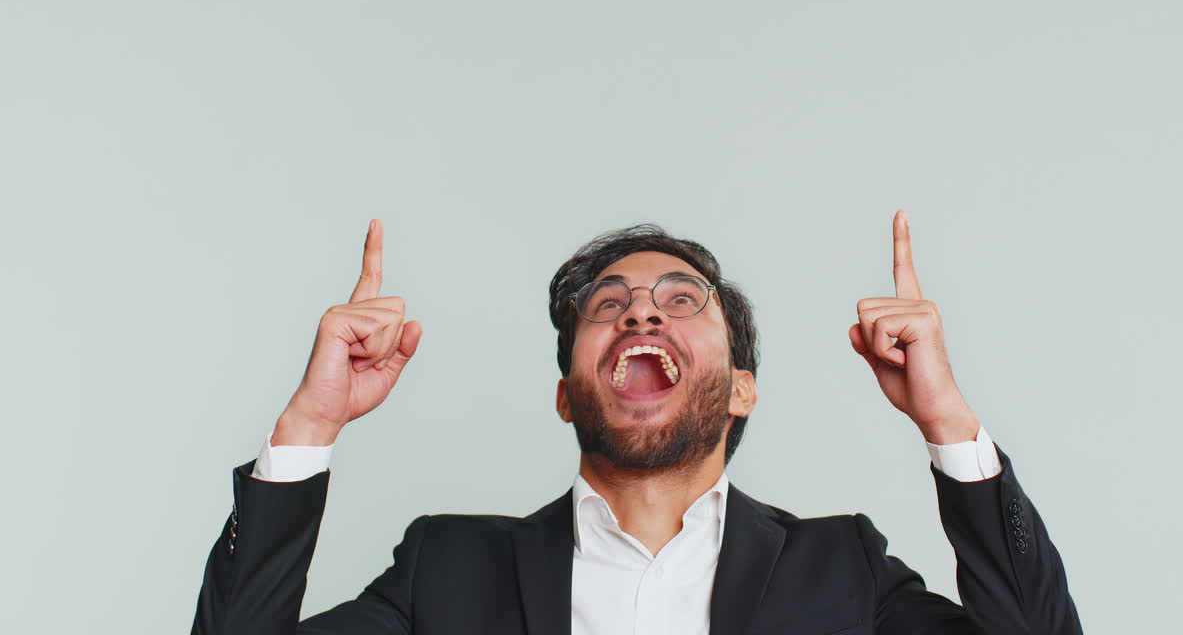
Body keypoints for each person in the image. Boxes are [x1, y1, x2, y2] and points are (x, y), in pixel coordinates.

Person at [191, 212, 1082, 635]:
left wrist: (948, 422)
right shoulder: (446, 568)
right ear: (568, 394)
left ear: (740, 388)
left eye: (681, 300)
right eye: (606, 305)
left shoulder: (841, 569)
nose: (640, 315)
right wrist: (309, 426)